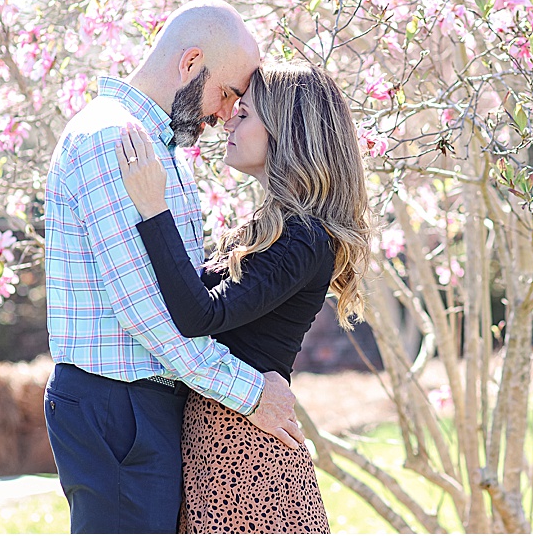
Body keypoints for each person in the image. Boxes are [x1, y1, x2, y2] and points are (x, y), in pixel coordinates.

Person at [43, 0, 304, 535]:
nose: (226, 112)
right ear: (190, 64)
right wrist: (251, 392)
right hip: (119, 408)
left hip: (142, 406)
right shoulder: (113, 140)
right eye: (227, 93)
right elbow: (147, 313)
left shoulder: (159, 148)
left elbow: (186, 292)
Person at [114, 60, 372, 533]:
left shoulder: (303, 238)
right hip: (224, 445)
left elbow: (199, 313)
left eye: (246, 113)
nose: (229, 118)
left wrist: (154, 209)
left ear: (286, 133)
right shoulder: (271, 230)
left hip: (248, 461)